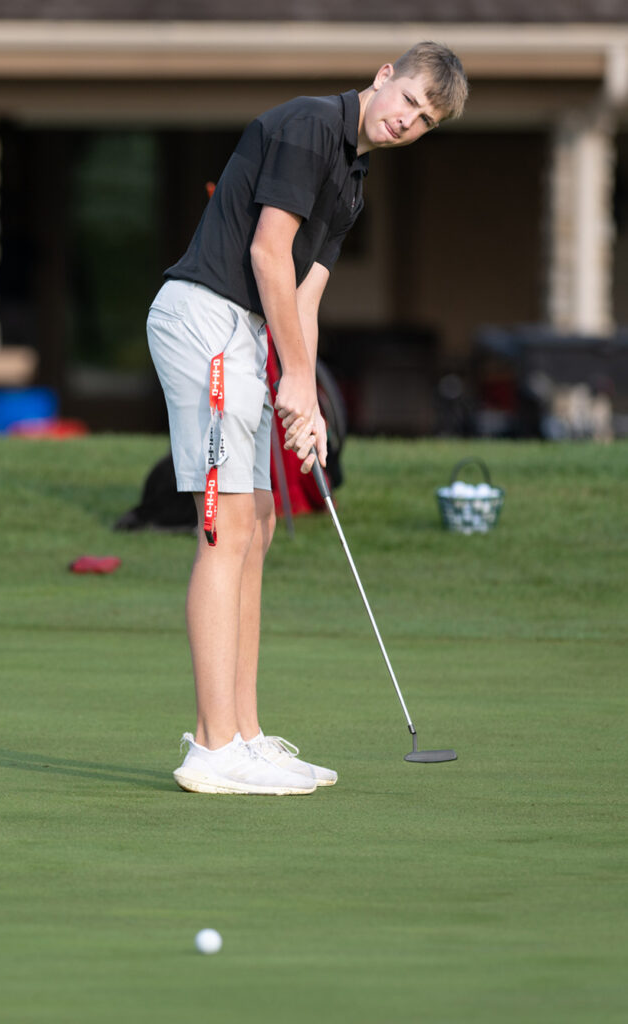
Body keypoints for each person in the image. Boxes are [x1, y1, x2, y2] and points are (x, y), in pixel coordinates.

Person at [146, 41, 468, 795]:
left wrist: (308, 401)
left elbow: (306, 295)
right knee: (225, 526)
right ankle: (212, 747)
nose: (407, 122)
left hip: (247, 336)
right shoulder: (308, 127)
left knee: (255, 522)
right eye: (408, 101)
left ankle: (247, 737)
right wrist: (286, 373)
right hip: (208, 321)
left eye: (423, 121)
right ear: (384, 74)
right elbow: (267, 255)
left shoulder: (351, 182)